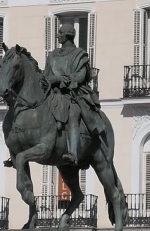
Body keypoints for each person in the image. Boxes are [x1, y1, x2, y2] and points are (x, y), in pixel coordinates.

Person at [43, 24, 105, 165]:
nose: (58, 35)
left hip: (73, 93)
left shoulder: (79, 54)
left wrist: (60, 79)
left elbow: (80, 76)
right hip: (53, 93)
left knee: (73, 114)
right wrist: (47, 80)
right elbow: (45, 75)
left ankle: (73, 153)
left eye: (60, 33)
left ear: (68, 35)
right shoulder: (52, 55)